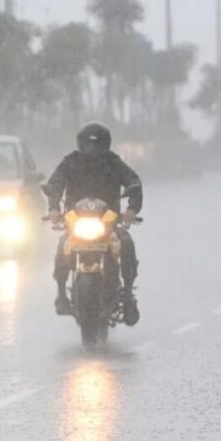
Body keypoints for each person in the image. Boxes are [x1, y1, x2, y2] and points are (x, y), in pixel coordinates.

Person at [45, 122, 143, 325]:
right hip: (75, 221)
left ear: (105, 145)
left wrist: (132, 210)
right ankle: (61, 293)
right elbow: (54, 184)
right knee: (63, 245)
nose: (92, 150)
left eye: (96, 145)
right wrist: (54, 208)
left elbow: (133, 181)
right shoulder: (70, 162)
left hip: (108, 222)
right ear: (80, 144)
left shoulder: (113, 162)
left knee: (125, 241)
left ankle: (127, 295)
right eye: (88, 145)